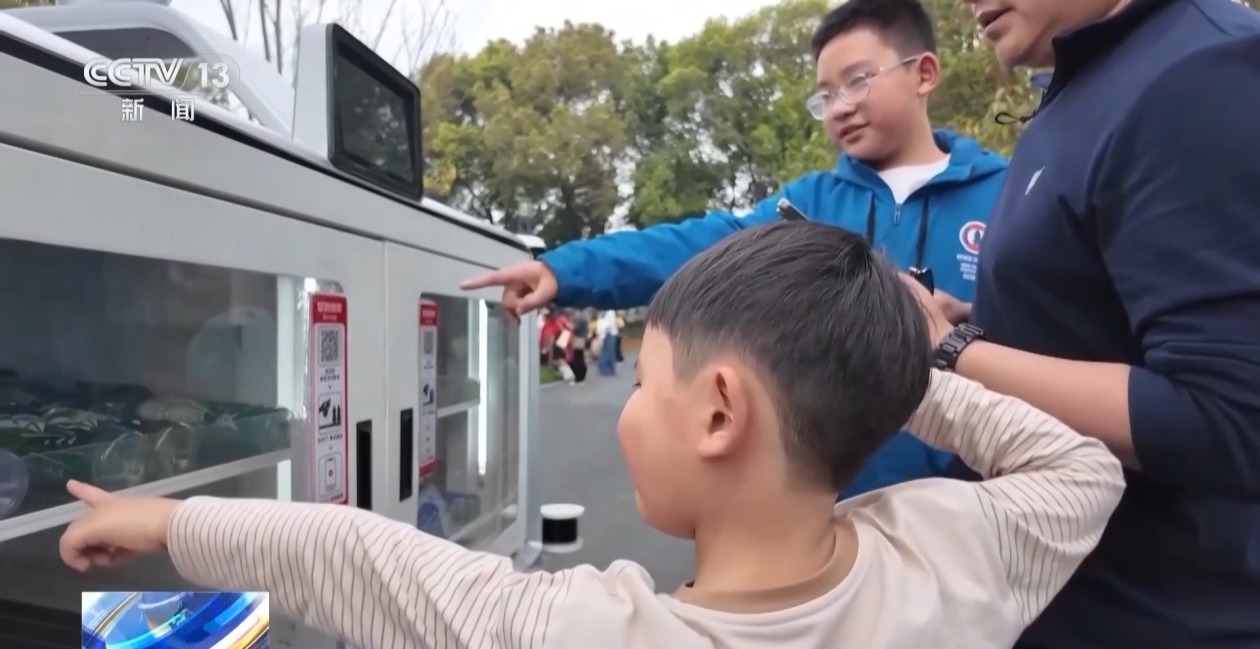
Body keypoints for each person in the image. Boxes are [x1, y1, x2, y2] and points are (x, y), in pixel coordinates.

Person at [58, 222, 1124, 649]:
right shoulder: (955, 552)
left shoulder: (591, 633)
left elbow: (357, 555)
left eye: (645, 382)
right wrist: (903, 363)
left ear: (718, 412)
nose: (628, 404)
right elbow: (1080, 463)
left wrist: (167, 520)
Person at [462, 0, 1008, 498]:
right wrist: (564, 270)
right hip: (830, 514)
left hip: (975, 513)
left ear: (924, 73)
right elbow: (697, 246)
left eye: (857, 81)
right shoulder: (809, 205)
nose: (839, 108)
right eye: (824, 96)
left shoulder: (1010, 193)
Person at [911, 1, 1260, 647]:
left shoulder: (1197, 72)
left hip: (1159, 618)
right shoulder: (1090, 79)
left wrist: (949, 347)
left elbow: (1229, 412)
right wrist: (978, 320)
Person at [595, 309, 620, 377]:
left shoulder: (603, 311)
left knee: (606, 351)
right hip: (610, 333)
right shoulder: (610, 311)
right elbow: (610, 323)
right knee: (609, 352)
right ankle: (608, 369)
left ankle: (605, 368)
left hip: (605, 333)